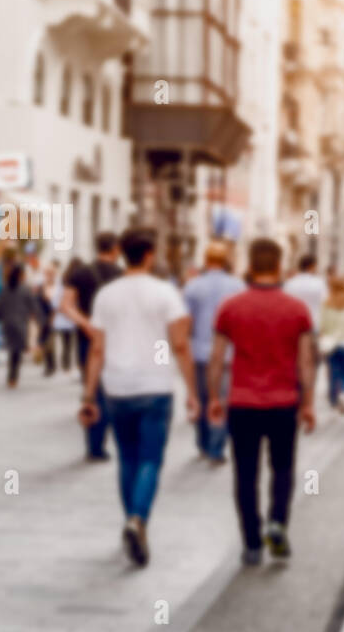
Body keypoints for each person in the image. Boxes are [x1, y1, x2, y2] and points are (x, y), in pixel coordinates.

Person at [79, 228, 198, 567]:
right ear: (149, 254)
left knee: (127, 458)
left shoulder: (106, 295)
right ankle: (138, 518)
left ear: (121, 253)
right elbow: (179, 345)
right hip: (155, 385)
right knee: (150, 459)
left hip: (116, 386)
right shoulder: (165, 293)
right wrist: (192, 391)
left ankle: (130, 519)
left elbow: (97, 349)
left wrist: (88, 395)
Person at [207, 238, 315, 565]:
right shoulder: (296, 309)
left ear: (250, 265)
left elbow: (216, 359)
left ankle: (252, 542)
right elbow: (305, 362)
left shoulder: (231, 306)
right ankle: (277, 522)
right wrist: (308, 402)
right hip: (283, 403)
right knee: (282, 468)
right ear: (279, 265)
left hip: (242, 403)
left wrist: (214, 397)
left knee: (245, 473)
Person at [61, 234, 124, 461]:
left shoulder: (81, 273)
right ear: (115, 249)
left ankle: (95, 444)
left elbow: (65, 305)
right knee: (113, 388)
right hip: (116, 338)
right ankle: (111, 437)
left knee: (93, 387)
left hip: (87, 338)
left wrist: (85, 323)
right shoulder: (122, 275)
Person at [182, 240, 245, 463]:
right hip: (228, 352)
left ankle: (202, 442)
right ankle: (217, 446)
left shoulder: (192, 286)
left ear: (206, 260)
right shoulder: (237, 286)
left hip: (199, 351)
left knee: (202, 396)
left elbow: (186, 322)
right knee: (221, 399)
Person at [0, 262, 44, 387]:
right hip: (20, 324)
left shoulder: (5, 289)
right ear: (21, 275)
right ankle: (13, 376)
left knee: (12, 349)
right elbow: (33, 306)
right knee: (17, 350)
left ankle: (11, 376)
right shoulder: (25, 289)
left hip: (7, 324)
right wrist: (40, 319)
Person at [319, 275, 344, 414]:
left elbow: (323, 325)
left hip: (331, 343)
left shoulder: (327, 303)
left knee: (334, 371)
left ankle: (333, 396)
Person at [282, 252, 325, 331]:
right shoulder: (319, 283)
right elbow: (325, 301)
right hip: (314, 323)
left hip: (294, 324)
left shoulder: (289, 283)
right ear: (312, 266)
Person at [49, 259, 79, 375]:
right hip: (71, 316)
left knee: (65, 342)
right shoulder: (72, 281)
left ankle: (65, 363)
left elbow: (56, 300)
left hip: (63, 316)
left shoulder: (62, 282)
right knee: (70, 342)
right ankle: (68, 364)